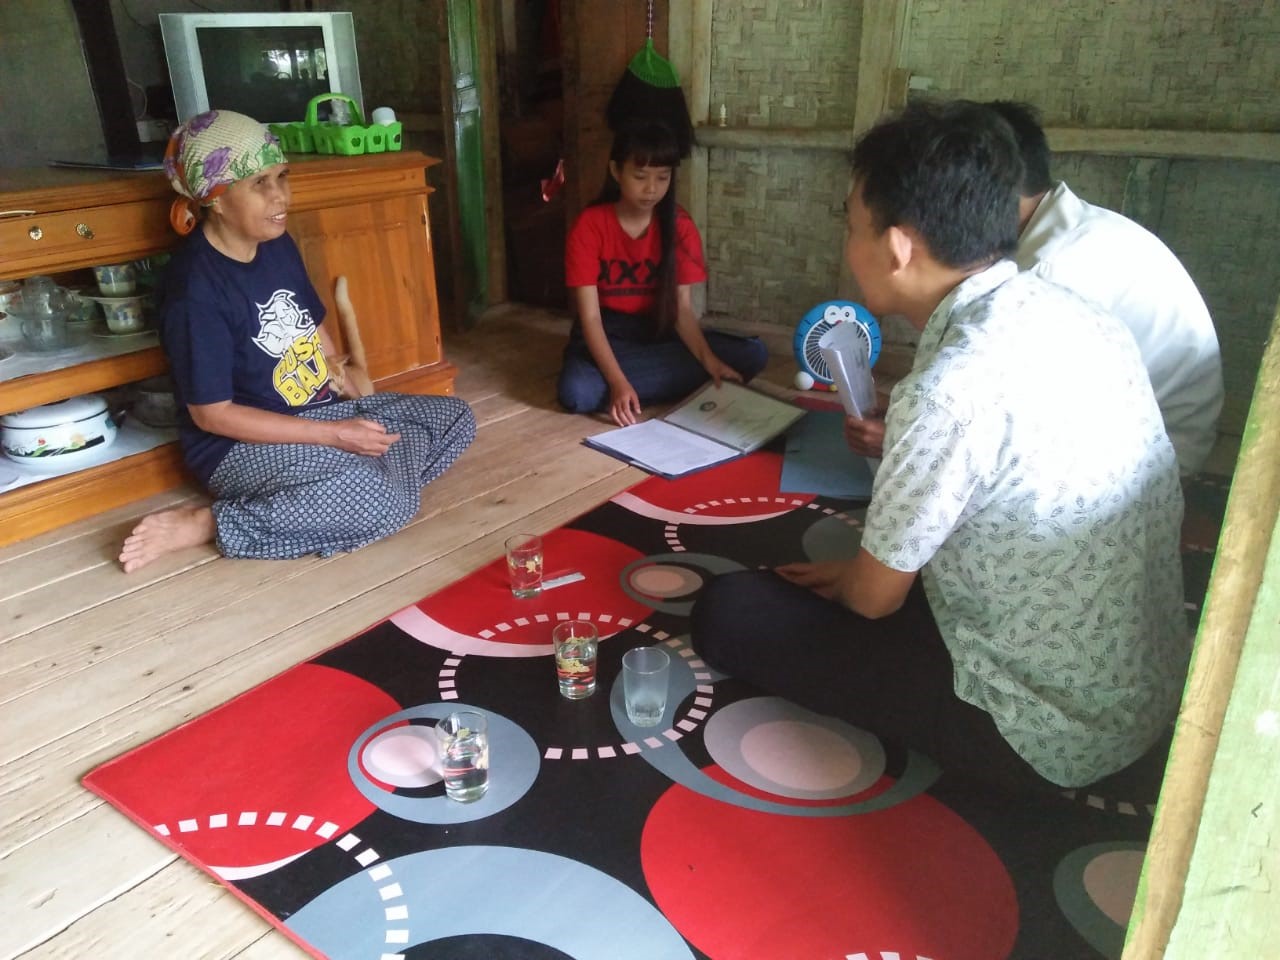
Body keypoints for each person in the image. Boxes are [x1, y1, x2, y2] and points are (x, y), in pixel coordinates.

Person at [690, 100, 1189, 793]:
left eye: (851, 224)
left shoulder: (949, 388)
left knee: (730, 611)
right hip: (1144, 687)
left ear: (897, 247)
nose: (848, 243)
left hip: (1050, 728)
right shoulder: (1078, 312)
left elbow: (871, 603)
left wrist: (859, 578)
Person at [118, 110, 475, 573]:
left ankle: (342, 492)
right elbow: (212, 415)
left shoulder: (276, 245)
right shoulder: (195, 291)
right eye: (259, 184)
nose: (280, 196)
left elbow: (312, 326)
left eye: (282, 177)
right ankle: (210, 522)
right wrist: (334, 435)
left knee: (454, 418)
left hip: (321, 412)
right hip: (240, 446)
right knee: (386, 501)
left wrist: (345, 382)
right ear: (216, 200)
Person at [845, 101, 1224, 476]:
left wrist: (910, 437)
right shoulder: (1070, 231)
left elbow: (994, 423)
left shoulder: (1045, 275)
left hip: (1148, 459)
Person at [557, 119, 768, 426]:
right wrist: (617, 381)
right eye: (640, 176)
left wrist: (710, 362)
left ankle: (639, 384)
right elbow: (590, 318)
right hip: (609, 334)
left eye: (663, 177)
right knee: (576, 391)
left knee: (752, 354)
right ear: (616, 171)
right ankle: (635, 383)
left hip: (659, 333)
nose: (651, 189)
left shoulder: (680, 226)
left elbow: (682, 311)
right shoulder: (590, 225)